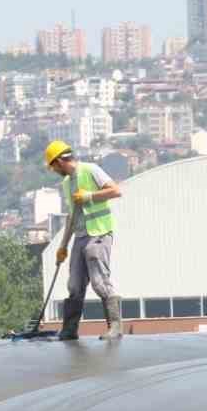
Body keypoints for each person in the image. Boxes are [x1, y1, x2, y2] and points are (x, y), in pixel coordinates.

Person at [46, 140, 125, 341]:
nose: (53, 170)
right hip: (80, 237)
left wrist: (89, 196)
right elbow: (72, 216)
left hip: (99, 233)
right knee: (74, 284)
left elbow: (116, 191)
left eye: (53, 166)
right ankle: (70, 329)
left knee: (100, 282)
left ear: (59, 161)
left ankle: (115, 327)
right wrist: (62, 246)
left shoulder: (91, 170)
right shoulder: (66, 183)